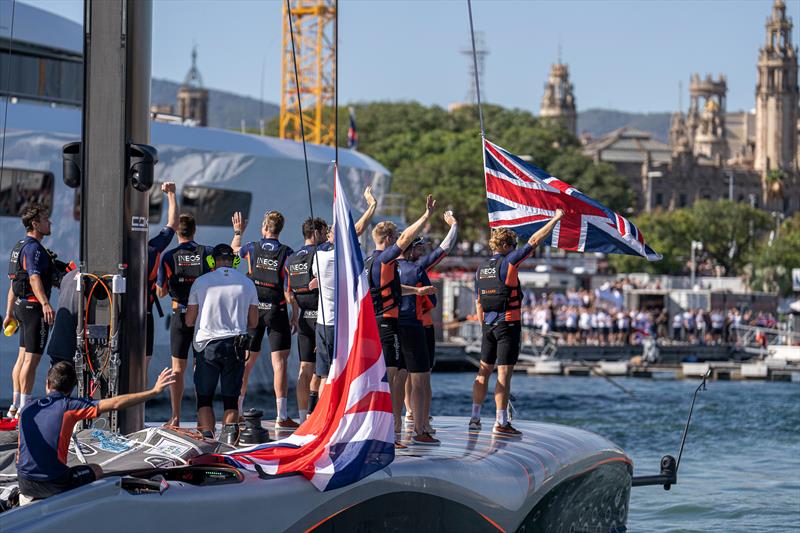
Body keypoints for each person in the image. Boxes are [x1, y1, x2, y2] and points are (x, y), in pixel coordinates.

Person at [16, 362, 174, 501]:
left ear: (47, 384)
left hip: (24, 483)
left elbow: (20, 451)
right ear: (72, 388)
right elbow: (116, 403)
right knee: (96, 469)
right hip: (54, 483)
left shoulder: (27, 408)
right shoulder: (70, 406)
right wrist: (153, 391)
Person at [470, 209, 563, 436]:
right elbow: (534, 241)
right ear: (507, 246)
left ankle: (474, 417)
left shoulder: (481, 268)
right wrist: (555, 219)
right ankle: (501, 422)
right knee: (503, 375)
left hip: (488, 326)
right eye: (512, 245)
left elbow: (478, 302)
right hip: (507, 325)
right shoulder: (509, 261)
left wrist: (484, 326)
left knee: (483, 373)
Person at [366, 195, 435, 440]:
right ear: (387, 240)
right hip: (387, 324)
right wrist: (425, 216)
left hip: (376, 322)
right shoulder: (386, 258)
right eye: (395, 239)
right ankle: (392, 430)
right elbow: (406, 239)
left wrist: (416, 291)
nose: (399, 244)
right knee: (392, 377)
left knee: (389, 377)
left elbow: (389, 289)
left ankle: (390, 426)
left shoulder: (369, 261)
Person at [231, 210, 298, 428]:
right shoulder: (288, 253)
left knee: (246, 363)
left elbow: (233, 252)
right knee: (279, 364)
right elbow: (289, 291)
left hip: (253, 310)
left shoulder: (251, 248)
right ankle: (281, 416)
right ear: (280, 230)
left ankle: (238, 411)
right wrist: (295, 313)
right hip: (276, 310)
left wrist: (238, 232)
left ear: (264, 228)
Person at [185, 244, 258, 439]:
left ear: (212, 261)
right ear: (234, 261)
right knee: (231, 400)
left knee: (204, 398)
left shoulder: (201, 282)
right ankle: (229, 445)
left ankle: (208, 439)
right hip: (235, 346)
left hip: (207, 346)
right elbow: (253, 322)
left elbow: (190, 320)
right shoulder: (247, 283)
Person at [311, 187, 378, 402]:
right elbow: (357, 229)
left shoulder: (319, 256)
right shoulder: (337, 256)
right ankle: (336, 412)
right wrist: (372, 206)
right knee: (339, 373)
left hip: (321, 323)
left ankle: (320, 415)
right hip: (337, 325)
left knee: (323, 376)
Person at [400, 210, 458, 437]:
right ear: (411, 249)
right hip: (419, 326)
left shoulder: (386, 264)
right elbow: (444, 249)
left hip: (395, 325)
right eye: (419, 247)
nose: (422, 250)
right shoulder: (416, 269)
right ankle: (421, 423)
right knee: (422, 378)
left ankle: (408, 415)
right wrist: (453, 225)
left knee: (402, 374)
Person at [156, 212, 212, 426]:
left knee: (178, 368)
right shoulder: (206, 252)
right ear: (194, 230)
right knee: (201, 367)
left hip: (179, 314)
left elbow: (161, 292)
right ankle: (202, 418)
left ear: (177, 232)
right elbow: (220, 272)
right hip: (202, 315)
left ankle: (176, 417)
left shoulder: (169, 257)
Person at [5, 204, 57, 418]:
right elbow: (34, 277)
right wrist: (45, 303)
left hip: (20, 307)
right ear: (35, 224)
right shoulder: (34, 248)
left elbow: (14, 283)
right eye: (45, 219)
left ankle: (15, 405)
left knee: (21, 358)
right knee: (31, 360)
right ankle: (24, 407)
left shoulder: (19, 246)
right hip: (34, 309)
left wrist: (9, 312)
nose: (49, 222)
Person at [285, 217, 329, 422]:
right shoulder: (321, 254)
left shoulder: (291, 259)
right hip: (321, 317)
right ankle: (320, 416)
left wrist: (294, 314)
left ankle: (304, 418)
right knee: (323, 371)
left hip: (302, 318)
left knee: (304, 368)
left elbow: (289, 293)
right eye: (325, 231)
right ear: (317, 232)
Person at [146, 182, 179, 364]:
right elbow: (173, 224)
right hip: (145, 315)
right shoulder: (152, 249)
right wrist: (171, 194)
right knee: (144, 363)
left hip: (118, 314)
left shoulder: (115, 252)